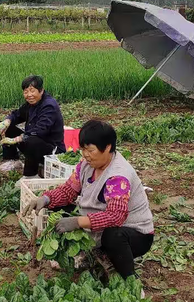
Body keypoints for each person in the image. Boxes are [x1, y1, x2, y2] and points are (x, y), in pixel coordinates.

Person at [24, 120, 154, 280]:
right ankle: (91, 253)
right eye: (83, 149)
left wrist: (77, 222)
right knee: (59, 209)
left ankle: (129, 279)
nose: (85, 154)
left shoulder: (118, 177)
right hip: (98, 224)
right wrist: (45, 198)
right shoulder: (85, 165)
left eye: (90, 150)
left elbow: (115, 217)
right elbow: (68, 191)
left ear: (107, 148)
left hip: (134, 233)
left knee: (113, 236)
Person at [0, 75, 65, 181]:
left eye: (32, 91)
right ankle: (12, 160)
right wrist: (7, 121)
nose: (29, 95)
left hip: (51, 150)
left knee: (31, 140)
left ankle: (30, 175)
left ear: (41, 91)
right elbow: (17, 114)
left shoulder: (49, 106)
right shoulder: (31, 104)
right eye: (25, 92)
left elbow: (40, 131)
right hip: (34, 145)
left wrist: (17, 139)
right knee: (8, 128)